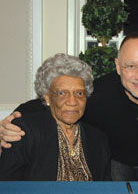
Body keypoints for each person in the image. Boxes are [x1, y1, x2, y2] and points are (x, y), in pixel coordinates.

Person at [0, 32, 138, 181]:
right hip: (116, 161)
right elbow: (52, 101)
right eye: (131, 66)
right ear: (117, 66)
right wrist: (13, 121)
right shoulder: (98, 93)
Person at [0, 53, 111, 181]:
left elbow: (105, 187)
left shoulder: (98, 139)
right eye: (62, 93)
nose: (72, 101)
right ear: (47, 97)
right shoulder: (25, 132)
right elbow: (8, 186)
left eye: (79, 93)